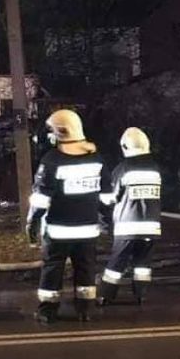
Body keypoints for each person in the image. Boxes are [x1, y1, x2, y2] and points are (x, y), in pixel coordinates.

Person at [26, 109, 108, 324]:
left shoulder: (52, 160)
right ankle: (85, 310)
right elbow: (107, 196)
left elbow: (41, 198)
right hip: (88, 229)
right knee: (86, 269)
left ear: (59, 132)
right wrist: (106, 221)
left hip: (58, 229)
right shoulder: (97, 159)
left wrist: (32, 222)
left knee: (53, 269)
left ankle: (48, 311)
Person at [98, 127, 162, 305]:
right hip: (152, 226)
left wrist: (99, 197)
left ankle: (105, 295)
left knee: (116, 263)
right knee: (142, 263)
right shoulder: (154, 168)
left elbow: (110, 197)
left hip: (127, 226)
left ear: (125, 147)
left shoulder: (123, 168)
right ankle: (141, 295)